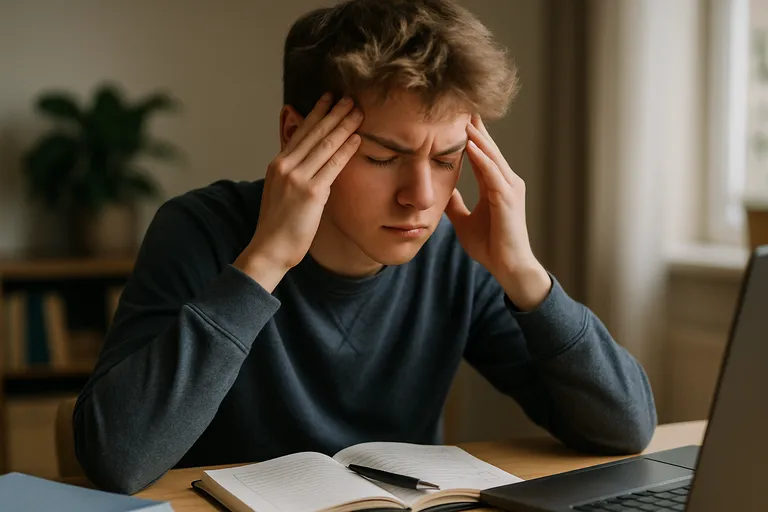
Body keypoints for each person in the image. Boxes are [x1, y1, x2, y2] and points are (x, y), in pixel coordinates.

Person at [73, 0, 657, 495]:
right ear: (294, 134)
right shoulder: (199, 230)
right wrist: (265, 262)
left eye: (448, 159)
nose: (420, 198)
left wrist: (524, 274)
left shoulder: (453, 256)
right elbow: (117, 460)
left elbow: (625, 429)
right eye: (382, 158)